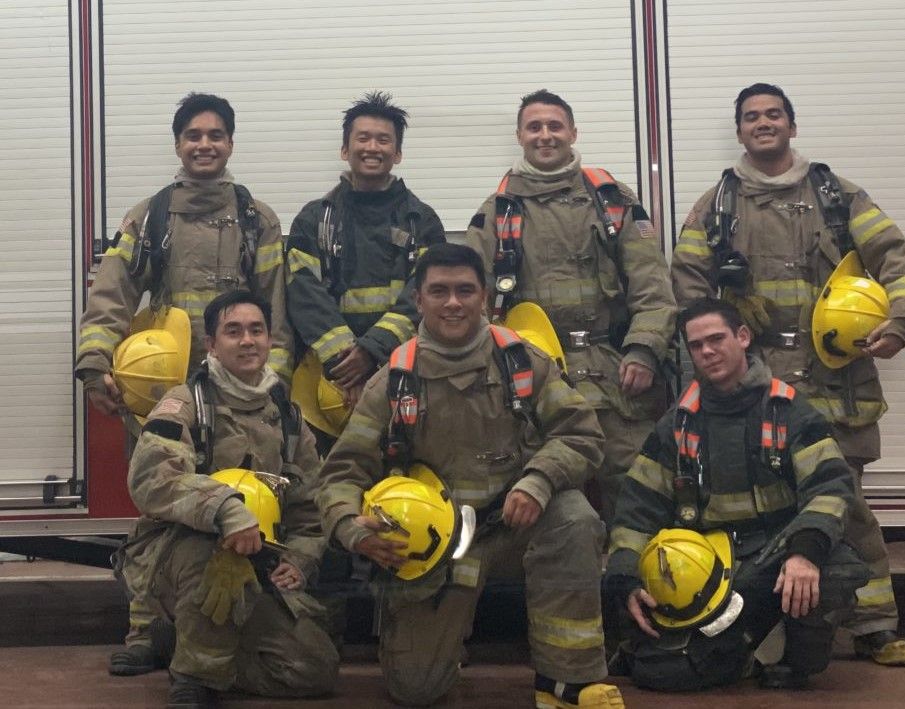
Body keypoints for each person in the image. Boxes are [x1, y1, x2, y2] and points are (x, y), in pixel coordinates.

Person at [671, 83, 905, 666]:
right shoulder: (716, 205)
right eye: (751, 118)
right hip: (753, 384)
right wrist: (721, 339)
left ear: (791, 124)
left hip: (835, 379)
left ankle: (875, 626)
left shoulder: (838, 196)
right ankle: (775, 623)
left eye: (774, 114)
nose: (763, 124)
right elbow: (685, 281)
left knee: (850, 504)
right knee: (761, 503)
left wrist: (900, 322)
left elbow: (901, 261)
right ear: (739, 131)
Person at [316, 244, 624, 708]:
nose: (453, 303)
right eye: (439, 291)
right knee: (416, 689)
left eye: (465, 290)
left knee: (575, 519)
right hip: (437, 546)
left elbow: (582, 435)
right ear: (418, 300)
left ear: (484, 298)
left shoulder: (523, 362)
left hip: (517, 524)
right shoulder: (392, 382)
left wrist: (538, 480)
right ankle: (436, 637)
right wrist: (349, 528)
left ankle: (568, 681)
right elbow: (342, 472)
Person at [75, 92, 292, 675]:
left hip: (236, 387)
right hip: (163, 391)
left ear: (230, 144)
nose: (205, 145)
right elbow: (113, 291)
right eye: (194, 135)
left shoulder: (257, 218)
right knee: (158, 507)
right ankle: (147, 632)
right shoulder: (149, 217)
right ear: (178, 144)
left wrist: (278, 381)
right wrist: (96, 363)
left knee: (238, 495)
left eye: (216, 135)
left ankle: (220, 628)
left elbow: (277, 306)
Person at [605, 298, 868, 691]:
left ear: (743, 337)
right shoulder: (677, 424)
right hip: (704, 570)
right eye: (696, 345)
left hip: (775, 556)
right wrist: (626, 580)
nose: (707, 351)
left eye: (716, 339)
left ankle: (794, 658)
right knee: (668, 674)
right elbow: (636, 510)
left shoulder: (790, 411)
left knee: (838, 568)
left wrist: (804, 552)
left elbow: (831, 487)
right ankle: (744, 649)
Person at [117, 290, 338, 707]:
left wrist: (300, 559)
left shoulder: (289, 417)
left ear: (270, 339)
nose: (247, 340)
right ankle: (192, 678)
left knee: (313, 669)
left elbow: (313, 507)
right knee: (210, 552)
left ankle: (183, 646)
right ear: (211, 345)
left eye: (256, 330)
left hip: (261, 558)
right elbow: (151, 479)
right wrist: (224, 508)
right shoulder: (184, 404)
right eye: (233, 331)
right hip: (175, 555)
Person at [465, 89, 676, 523]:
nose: (545, 135)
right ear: (520, 136)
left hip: (617, 375)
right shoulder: (497, 212)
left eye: (555, 126)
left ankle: (636, 584)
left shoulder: (612, 199)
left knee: (639, 486)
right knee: (553, 493)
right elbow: (473, 303)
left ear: (573, 132)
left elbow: (653, 286)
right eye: (534, 127)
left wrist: (643, 350)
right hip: (537, 377)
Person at [286, 90, 445, 449]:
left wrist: (372, 352)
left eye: (383, 139)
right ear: (345, 150)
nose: (372, 147)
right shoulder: (314, 220)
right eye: (363, 138)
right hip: (330, 382)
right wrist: (347, 362)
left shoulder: (422, 220)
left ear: (398, 153)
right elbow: (302, 291)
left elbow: (425, 295)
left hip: (405, 373)